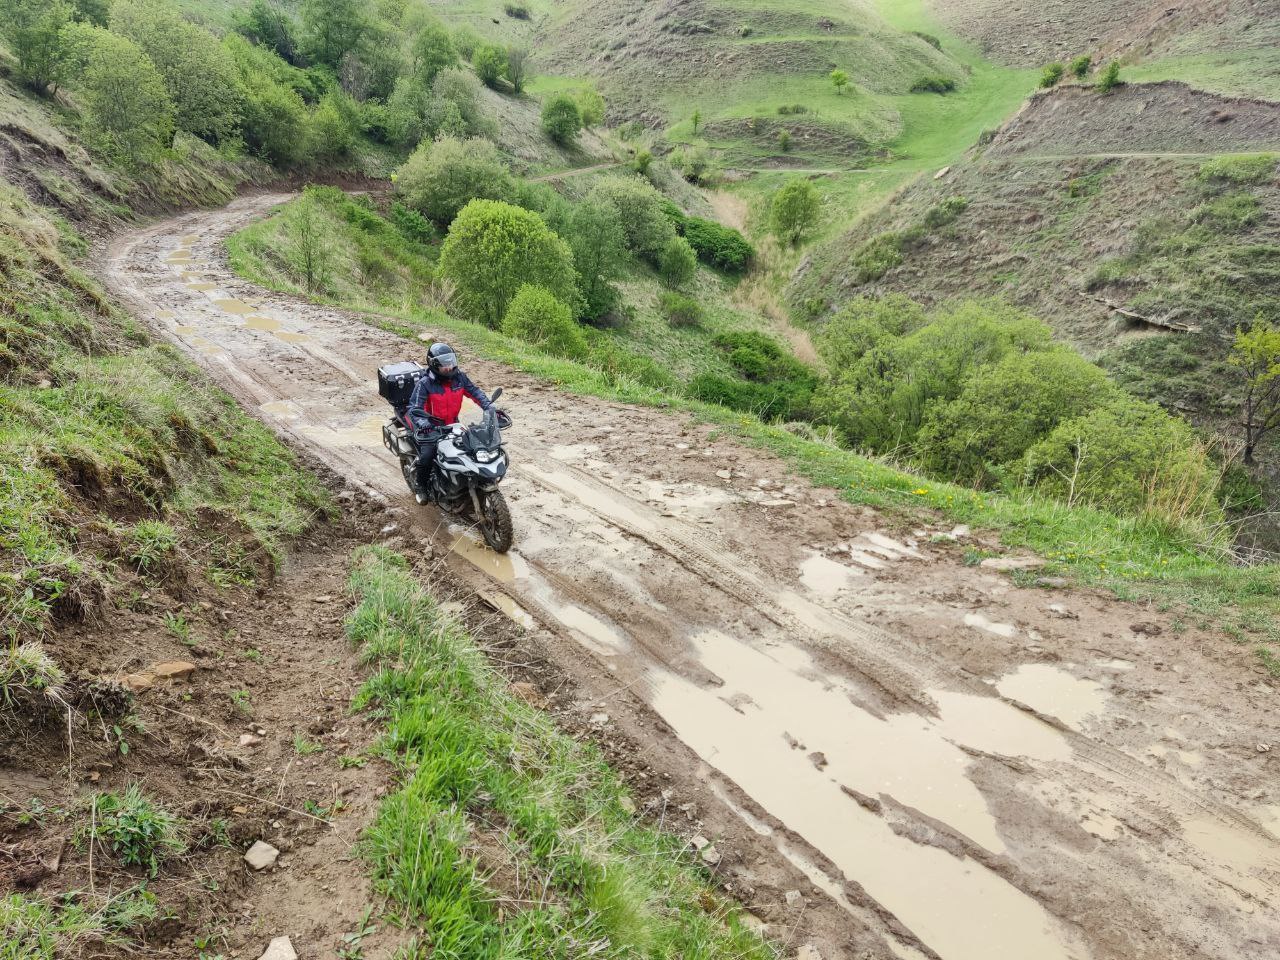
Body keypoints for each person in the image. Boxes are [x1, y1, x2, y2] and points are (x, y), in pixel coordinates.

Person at [405, 342, 492, 502]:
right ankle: (421, 486)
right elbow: (414, 408)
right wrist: (424, 423)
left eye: (450, 362)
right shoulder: (424, 384)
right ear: (433, 364)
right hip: (431, 428)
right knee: (427, 456)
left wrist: (489, 407)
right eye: (444, 365)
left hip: (453, 424)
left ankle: (463, 481)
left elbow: (475, 392)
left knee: (473, 449)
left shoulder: (459, 378)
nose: (449, 367)